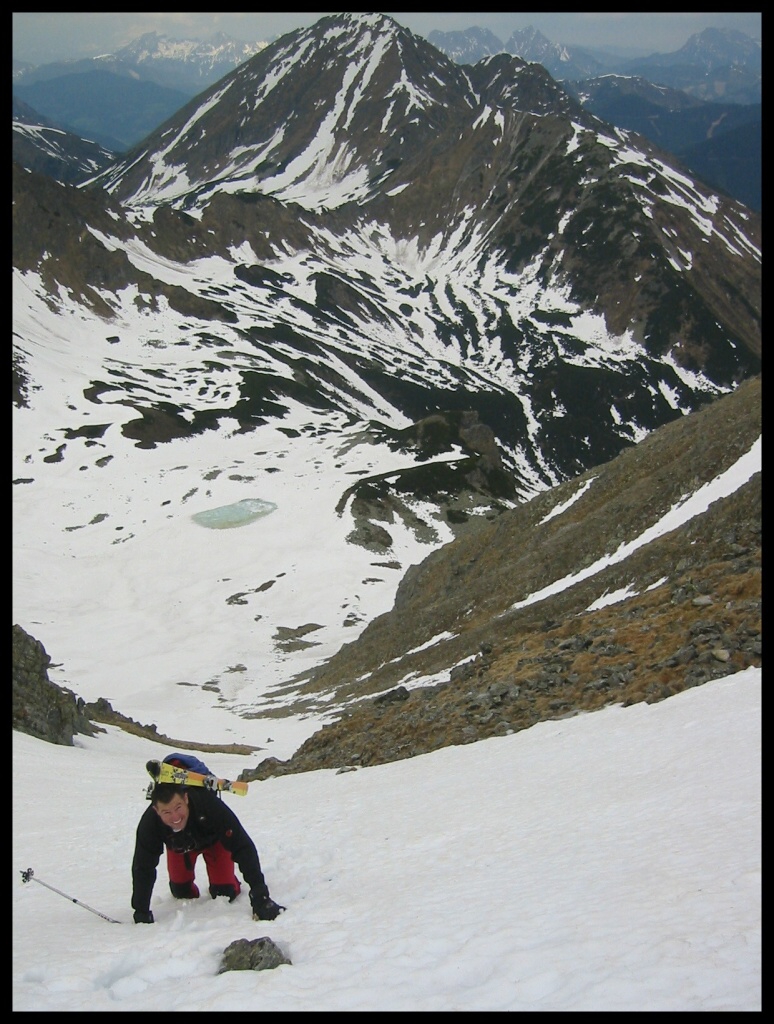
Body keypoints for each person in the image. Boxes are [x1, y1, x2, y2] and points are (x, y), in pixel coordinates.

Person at [131, 781, 285, 924]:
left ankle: (230, 881)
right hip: (180, 847)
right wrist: (141, 910)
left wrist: (261, 896)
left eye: (178, 807)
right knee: (181, 891)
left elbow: (243, 846)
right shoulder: (150, 824)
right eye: (166, 812)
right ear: (156, 810)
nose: (175, 817)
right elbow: (143, 866)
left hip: (214, 843)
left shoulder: (208, 805)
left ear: (186, 798)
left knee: (225, 893)